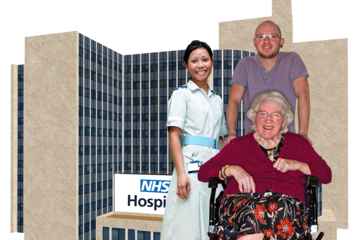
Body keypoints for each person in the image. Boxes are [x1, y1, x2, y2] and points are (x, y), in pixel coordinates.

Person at [198, 91, 331, 240]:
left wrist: (298, 165)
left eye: (275, 115)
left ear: (284, 120)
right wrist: (230, 169)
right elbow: (203, 172)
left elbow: (326, 174)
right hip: (241, 201)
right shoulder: (238, 145)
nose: (268, 120)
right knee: (255, 212)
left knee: (279, 208)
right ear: (255, 117)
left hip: (287, 202)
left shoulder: (299, 143)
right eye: (263, 114)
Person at [160, 38, 228, 240]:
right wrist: (181, 173)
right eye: (194, 61)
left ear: (212, 62)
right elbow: (174, 135)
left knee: (211, 221)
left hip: (214, 165)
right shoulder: (181, 94)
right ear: (186, 65)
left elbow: (221, 138)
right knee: (186, 224)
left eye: (205, 59)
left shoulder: (217, 99)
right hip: (190, 165)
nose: (201, 65)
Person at [225, 20, 312, 146]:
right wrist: (232, 133)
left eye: (272, 36)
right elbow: (234, 100)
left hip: (285, 141)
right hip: (253, 142)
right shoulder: (245, 64)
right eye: (261, 37)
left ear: (281, 42)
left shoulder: (292, 60)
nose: (266, 41)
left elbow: (303, 96)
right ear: (254, 42)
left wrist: (303, 133)